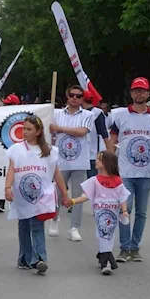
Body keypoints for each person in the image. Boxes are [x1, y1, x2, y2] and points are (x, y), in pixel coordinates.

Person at [107, 77, 150, 263]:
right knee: (126, 209)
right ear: (131, 93)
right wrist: (109, 166)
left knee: (141, 211)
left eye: (143, 90)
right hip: (125, 172)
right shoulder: (120, 116)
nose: (139, 93)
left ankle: (135, 247)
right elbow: (112, 140)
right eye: (136, 90)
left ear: (148, 94)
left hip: (146, 172)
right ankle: (124, 248)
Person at [4, 116, 69, 274]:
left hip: (41, 196)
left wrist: (65, 194)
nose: (25, 132)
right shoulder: (16, 149)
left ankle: (40, 258)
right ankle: (25, 258)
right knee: (24, 225)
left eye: (29, 129)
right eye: (24, 128)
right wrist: (7, 187)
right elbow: (11, 169)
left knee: (37, 225)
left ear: (38, 132)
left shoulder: (50, 151)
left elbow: (56, 173)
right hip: (22, 195)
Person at [69, 151, 131, 275]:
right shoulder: (94, 180)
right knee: (101, 235)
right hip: (100, 212)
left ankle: (103, 256)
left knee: (109, 236)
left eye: (100, 159)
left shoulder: (117, 180)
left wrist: (124, 211)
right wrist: (73, 201)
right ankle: (106, 262)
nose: (96, 161)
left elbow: (122, 197)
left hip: (112, 213)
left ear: (107, 163)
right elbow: (86, 196)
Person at [49, 85, 94, 242]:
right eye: (72, 95)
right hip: (60, 161)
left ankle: (74, 227)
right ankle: (55, 219)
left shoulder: (88, 115)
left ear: (82, 98)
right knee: (58, 194)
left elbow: (81, 132)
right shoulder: (56, 113)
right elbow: (49, 129)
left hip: (80, 161)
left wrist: (60, 129)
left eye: (79, 96)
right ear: (67, 97)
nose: (75, 98)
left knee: (78, 196)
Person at [0, 93, 21, 213]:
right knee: (2, 174)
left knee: (17, 175)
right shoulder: (1, 115)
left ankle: (16, 201)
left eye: (9, 104)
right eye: (6, 104)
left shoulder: (22, 118)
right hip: (3, 150)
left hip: (17, 151)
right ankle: (0, 202)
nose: (6, 106)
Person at [82, 93, 109, 179]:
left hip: (89, 154)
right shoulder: (97, 113)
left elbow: (104, 134)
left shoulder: (95, 113)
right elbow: (104, 134)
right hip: (91, 154)